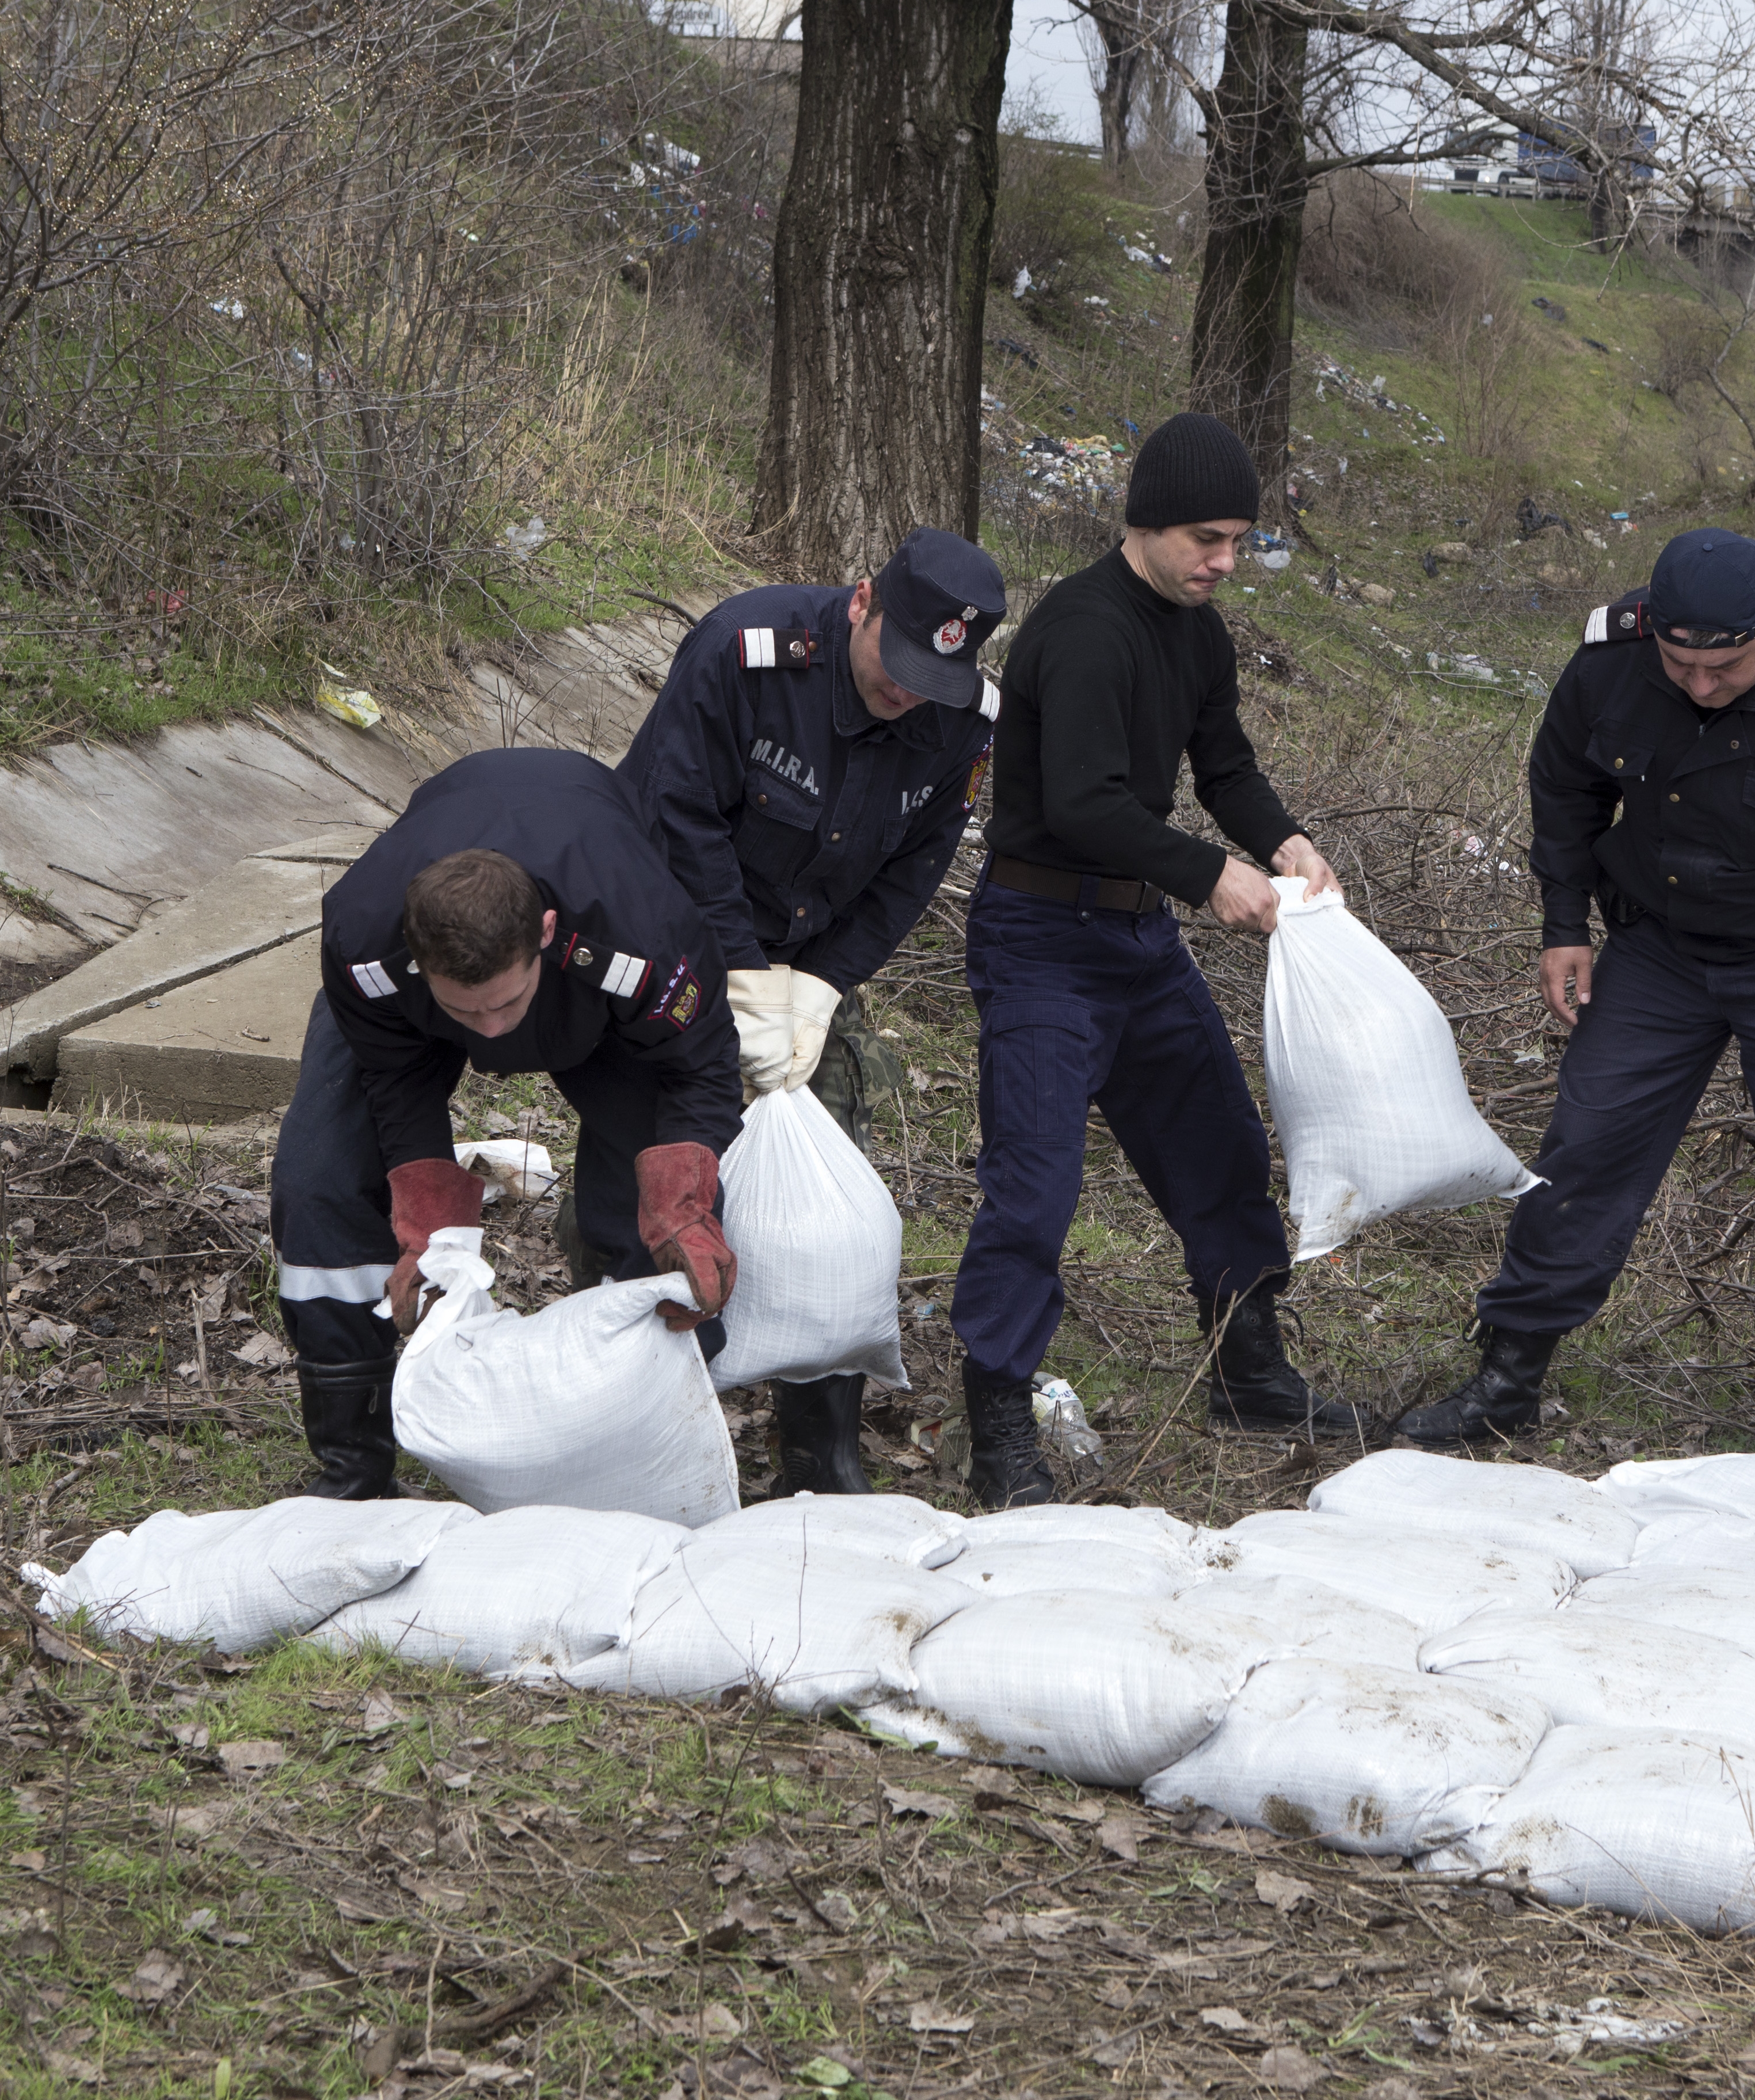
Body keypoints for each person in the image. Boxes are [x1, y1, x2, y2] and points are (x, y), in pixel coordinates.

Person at [1398, 528, 1755, 1473]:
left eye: (1727, 666)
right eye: (1682, 663)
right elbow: (1564, 787)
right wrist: (1564, 922)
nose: (1700, 685)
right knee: (1587, 1147)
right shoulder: (1613, 660)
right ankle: (1509, 1375)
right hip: (1661, 950)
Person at [947, 410, 1365, 1510]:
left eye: (1238, 543)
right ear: (1145, 524)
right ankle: (998, 1416)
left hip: (1136, 936)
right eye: (1207, 541)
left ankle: (1249, 1368)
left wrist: (1279, 841)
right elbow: (1083, 802)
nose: (1225, 563)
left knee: (1218, 1147)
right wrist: (1209, 875)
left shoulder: (1199, 633)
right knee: (1034, 1188)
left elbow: (1222, 763)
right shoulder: (1085, 629)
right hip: (1041, 937)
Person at [615, 527, 1008, 1496]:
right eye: (899, 664)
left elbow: (915, 869)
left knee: (823, 1159)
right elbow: (680, 819)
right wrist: (740, 979)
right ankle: (643, 1412)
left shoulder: (968, 720)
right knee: (656, 1149)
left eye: (934, 680)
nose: (909, 692)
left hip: (806, 957)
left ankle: (818, 1446)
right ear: (862, 601)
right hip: (666, 926)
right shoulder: (744, 656)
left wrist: (824, 985)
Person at [269, 749, 741, 1500]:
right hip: (412, 1020)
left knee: (664, 1211)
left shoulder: (639, 929)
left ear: (547, 933)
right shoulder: (363, 943)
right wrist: (426, 1214)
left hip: (596, 1015)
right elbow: (393, 1078)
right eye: (468, 1011)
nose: (488, 1033)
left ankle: (652, 1452)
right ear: (418, 959)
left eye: (503, 1005)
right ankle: (354, 1465)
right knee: (318, 1179)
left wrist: (682, 1197)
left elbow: (702, 1067)